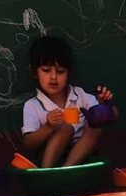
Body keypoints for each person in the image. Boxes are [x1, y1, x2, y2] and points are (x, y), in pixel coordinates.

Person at [22, 36, 117, 168]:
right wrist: (48, 127)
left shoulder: (81, 96)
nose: (53, 77)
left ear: (69, 73)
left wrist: (104, 105)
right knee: (65, 127)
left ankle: (67, 169)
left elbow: (113, 117)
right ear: (34, 72)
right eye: (46, 70)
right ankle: (46, 173)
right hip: (49, 159)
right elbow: (28, 144)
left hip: (81, 158)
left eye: (60, 71)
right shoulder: (32, 105)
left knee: (95, 126)